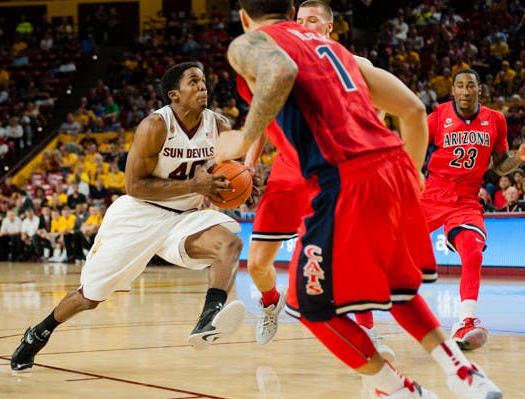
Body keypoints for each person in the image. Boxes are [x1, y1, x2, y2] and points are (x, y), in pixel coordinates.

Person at [215, 1, 502, 397]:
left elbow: (279, 70)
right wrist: (411, 176)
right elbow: (413, 109)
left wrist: (243, 139)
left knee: (311, 307)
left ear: (246, 18)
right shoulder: (340, 53)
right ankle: (463, 372)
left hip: (341, 178)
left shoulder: (250, 42)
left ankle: (398, 390)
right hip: (392, 167)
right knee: (397, 288)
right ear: (289, 10)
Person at [10, 62, 246, 371]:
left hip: (184, 215)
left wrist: (241, 185)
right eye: (194, 82)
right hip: (138, 215)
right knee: (90, 298)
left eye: (204, 81)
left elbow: (231, 170)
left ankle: (209, 317)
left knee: (229, 244)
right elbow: (134, 186)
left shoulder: (219, 125)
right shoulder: (156, 126)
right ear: (174, 94)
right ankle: (39, 333)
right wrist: (194, 185)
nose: (203, 87)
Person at [242, 0, 393, 360]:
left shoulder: (359, 67)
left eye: (312, 21)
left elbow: (379, 119)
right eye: (299, 20)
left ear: (329, 28)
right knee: (257, 263)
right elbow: (262, 120)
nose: (303, 26)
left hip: (336, 171)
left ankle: (369, 332)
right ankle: (270, 303)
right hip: (288, 172)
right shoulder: (281, 67)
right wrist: (248, 165)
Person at [423, 68, 525, 350]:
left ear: (480, 90)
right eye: (460, 86)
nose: (466, 91)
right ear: (453, 90)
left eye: (471, 86)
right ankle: (364, 316)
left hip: (467, 198)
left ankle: (466, 321)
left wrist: (518, 159)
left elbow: (498, 167)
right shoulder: (438, 117)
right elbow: (414, 142)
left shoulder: (496, 120)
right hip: (433, 192)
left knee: (472, 251)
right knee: (395, 247)